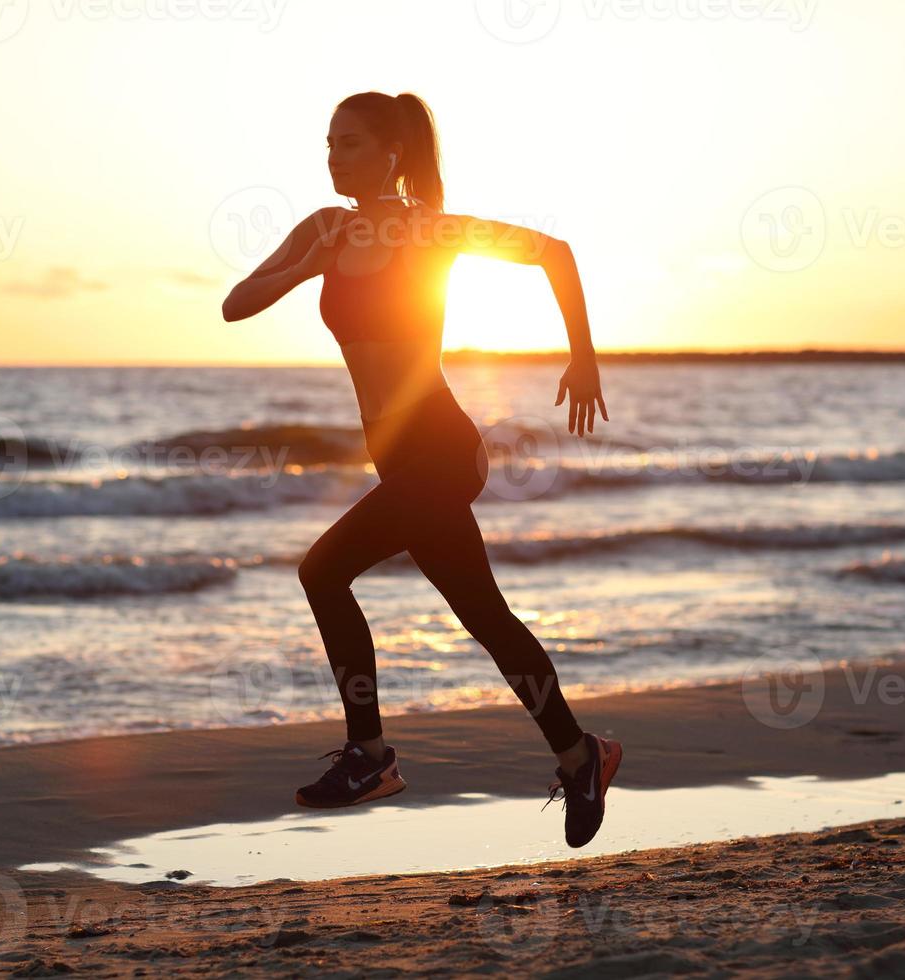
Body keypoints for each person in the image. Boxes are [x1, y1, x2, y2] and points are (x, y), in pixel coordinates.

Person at [221, 91, 621, 848]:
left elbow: (553, 253)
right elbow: (235, 306)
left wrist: (584, 357)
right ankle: (581, 754)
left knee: (322, 570)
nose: (334, 157)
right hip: (398, 457)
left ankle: (370, 756)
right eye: (329, 143)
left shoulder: (431, 230)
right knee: (485, 616)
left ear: (393, 153)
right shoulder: (323, 230)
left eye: (352, 143)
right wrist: (306, 267)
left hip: (441, 449)